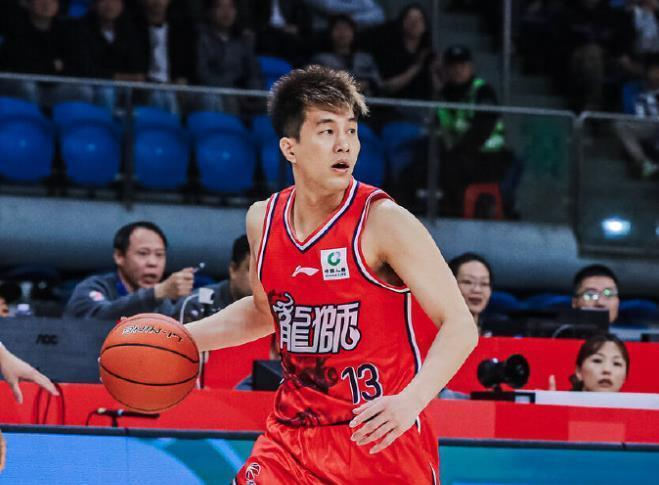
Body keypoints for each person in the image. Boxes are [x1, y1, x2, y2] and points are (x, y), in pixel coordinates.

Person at [185, 65, 477, 483]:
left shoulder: (384, 221)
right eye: (327, 131)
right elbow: (266, 313)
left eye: (351, 131)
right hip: (291, 440)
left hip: (378, 440)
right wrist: (179, 338)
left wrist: (412, 401)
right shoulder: (263, 220)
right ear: (290, 148)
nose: (345, 144)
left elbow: (460, 325)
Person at [435, 45, 513, 216]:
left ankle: (458, 212)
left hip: (489, 158)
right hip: (460, 155)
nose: (457, 70)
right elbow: (437, 126)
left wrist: (457, 150)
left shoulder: (482, 91)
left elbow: (483, 129)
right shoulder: (443, 94)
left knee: (451, 166)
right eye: (453, 66)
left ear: (470, 67)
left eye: (462, 65)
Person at [64, 221, 194, 320]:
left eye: (159, 254)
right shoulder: (93, 287)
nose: (153, 263)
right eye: (143, 253)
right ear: (119, 256)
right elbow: (98, 319)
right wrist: (156, 293)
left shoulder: (163, 303)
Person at [196, 0, 264, 114]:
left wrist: (252, 93)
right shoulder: (202, 38)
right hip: (214, 92)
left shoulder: (243, 40)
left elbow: (253, 72)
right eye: (220, 7)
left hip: (242, 93)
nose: (226, 12)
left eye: (230, 7)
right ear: (210, 11)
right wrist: (232, 90)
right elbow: (203, 73)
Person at [179, 234, 252, 322]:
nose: (259, 279)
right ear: (233, 269)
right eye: (252, 270)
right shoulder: (197, 304)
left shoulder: (267, 307)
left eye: (264, 272)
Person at [311, 14, 382, 96]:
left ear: (354, 33)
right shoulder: (320, 60)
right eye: (337, 29)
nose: (342, 33)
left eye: (346, 29)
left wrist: (365, 84)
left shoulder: (365, 59)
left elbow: (377, 81)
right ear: (330, 33)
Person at [614, 53, 659, 179]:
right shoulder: (632, 88)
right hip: (644, 125)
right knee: (621, 125)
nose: (657, 75)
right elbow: (629, 111)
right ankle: (645, 164)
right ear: (647, 72)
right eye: (655, 71)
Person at [449, 252, 493, 336]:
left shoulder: (499, 334)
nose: (477, 290)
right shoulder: (435, 334)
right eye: (467, 282)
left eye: (484, 283)